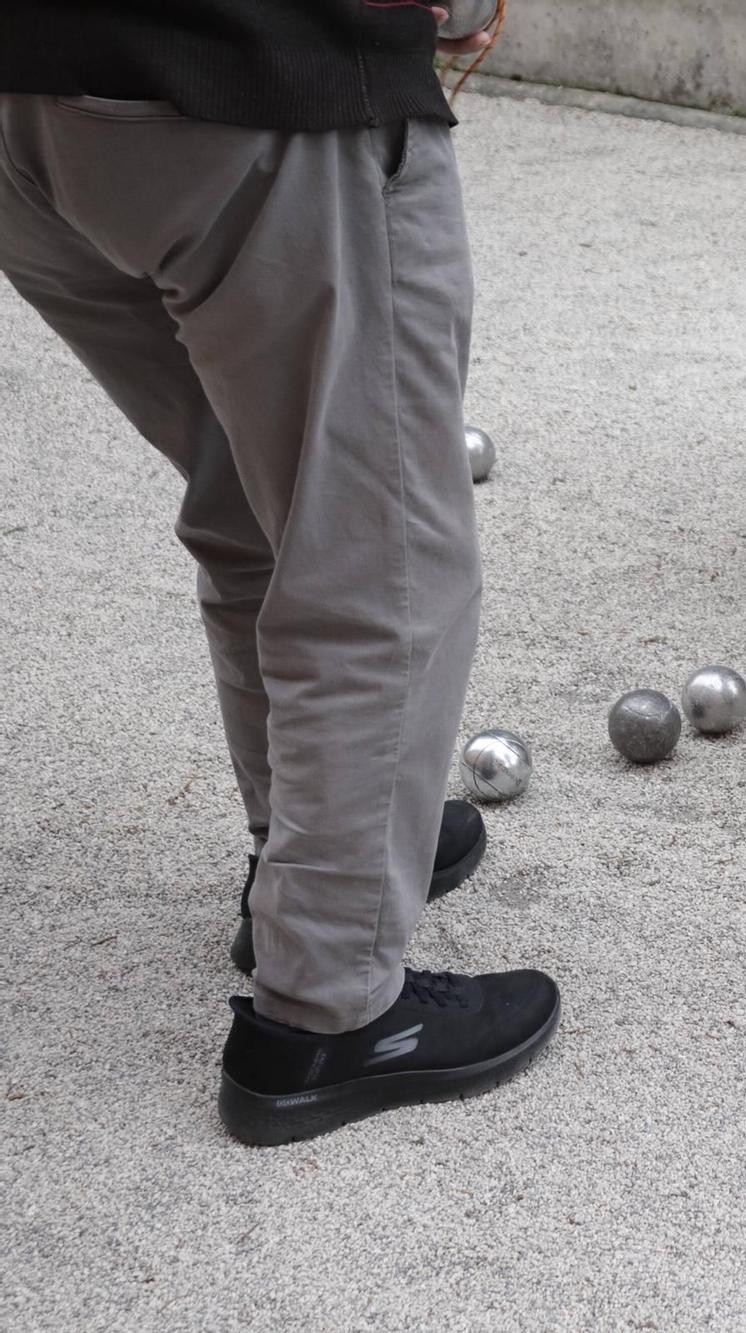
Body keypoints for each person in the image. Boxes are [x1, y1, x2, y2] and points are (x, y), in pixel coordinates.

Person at [0, 1, 560, 1144]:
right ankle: (325, 1009)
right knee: (378, 554)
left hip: (31, 95)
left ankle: (306, 865)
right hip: (248, 84)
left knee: (253, 493)